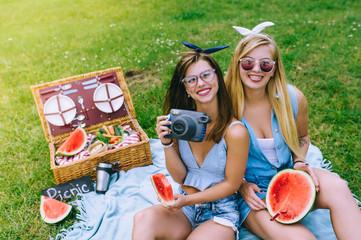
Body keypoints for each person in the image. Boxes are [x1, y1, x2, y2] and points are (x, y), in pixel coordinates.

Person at [225, 22, 361, 240]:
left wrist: (299, 161)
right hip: (253, 195)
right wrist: (240, 185)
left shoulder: (293, 98)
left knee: (339, 188)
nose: (256, 70)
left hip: (290, 176)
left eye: (265, 64)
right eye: (248, 63)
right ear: (237, 64)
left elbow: (302, 137)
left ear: (275, 68)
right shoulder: (224, 106)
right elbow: (212, 157)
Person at [132, 42, 249, 240]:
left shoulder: (235, 132)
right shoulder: (182, 123)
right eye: (191, 80)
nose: (201, 84)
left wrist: (187, 201)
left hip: (219, 213)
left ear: (217, 77)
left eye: (206, 75)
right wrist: (167, 144)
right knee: (142, 218)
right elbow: (180, 177)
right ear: (185, 87)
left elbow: (232, 185)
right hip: (183, 205)